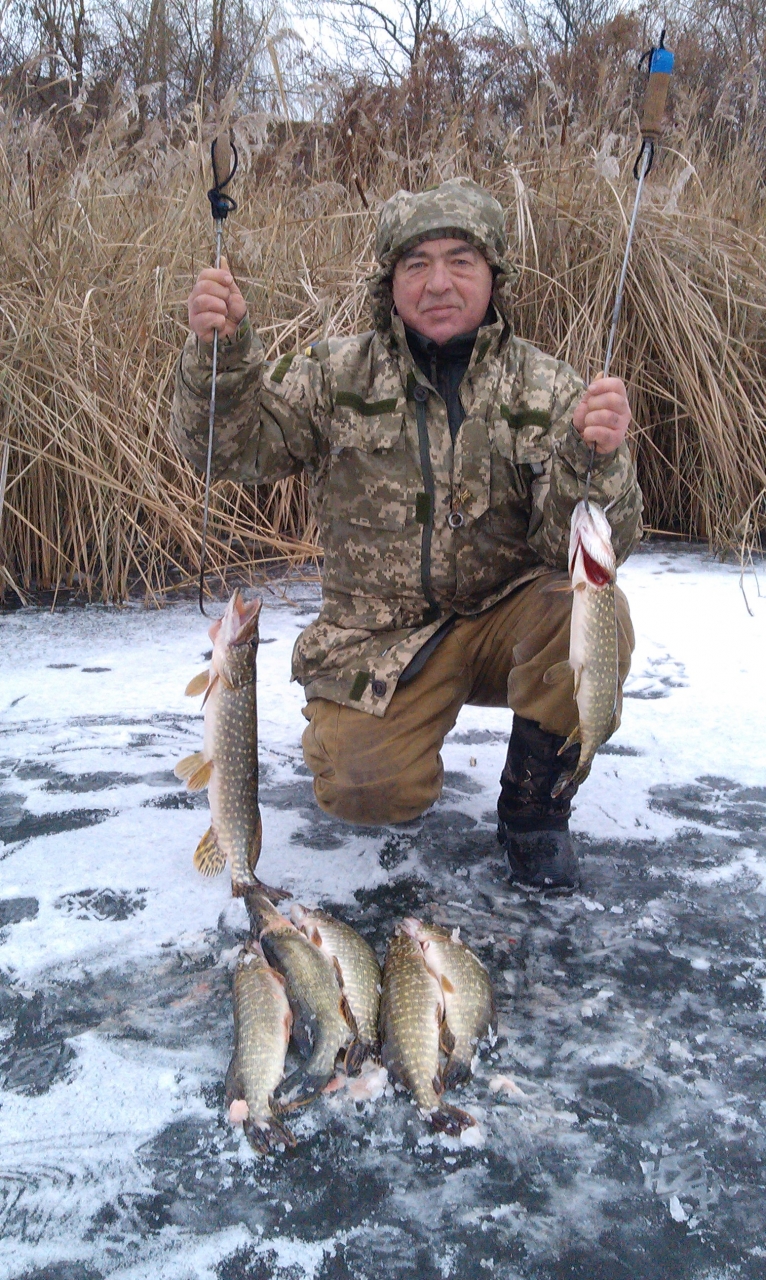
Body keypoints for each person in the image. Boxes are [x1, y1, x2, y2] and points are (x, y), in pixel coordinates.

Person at [170, 177, 640, 892]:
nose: (439, 283)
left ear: (494, 275)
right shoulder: (334, 374)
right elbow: (235, 450)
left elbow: (584, 549)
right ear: (390, 281)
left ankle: (534, 810)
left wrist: (596, 458)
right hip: (378, 642)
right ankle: (391, 745)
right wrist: (222, 356)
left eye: (461, 261)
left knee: (588, 611)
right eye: (416, 264)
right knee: (364, 794)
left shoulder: (546, 388)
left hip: (500, 624)